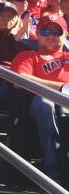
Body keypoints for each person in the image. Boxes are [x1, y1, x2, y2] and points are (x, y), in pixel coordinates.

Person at [11, 18, 69, 182]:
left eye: (57, 32)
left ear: (65, 35)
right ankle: (54, 171)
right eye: (45, 31)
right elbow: (19, 80)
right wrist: (62, 87)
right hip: (39, 106)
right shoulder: (28, 56)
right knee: (46, 103)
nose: (51, 36)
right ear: (37, 34)